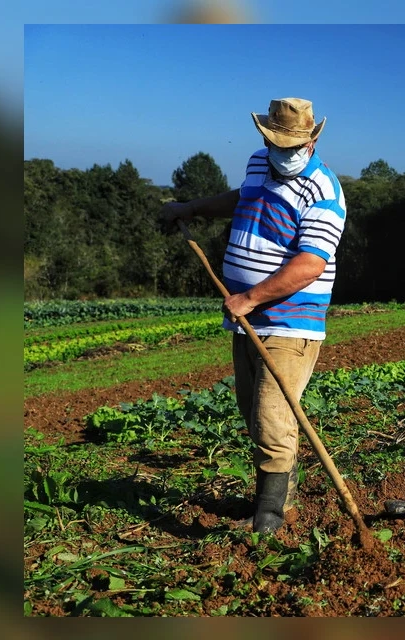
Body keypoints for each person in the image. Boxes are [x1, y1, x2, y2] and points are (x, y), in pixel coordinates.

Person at [158, 97, 346, 535]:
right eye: (276, 142)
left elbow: (311, 264)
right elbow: (241, 198)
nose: (283, 151)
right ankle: (283, 498)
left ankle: (269, 520)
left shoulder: (324, 190)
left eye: (292, 144)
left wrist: (252, 297)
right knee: (253, 411)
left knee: (271, 414)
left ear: (312, 140)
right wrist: (193, 208)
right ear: (265, 138)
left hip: (289, 319)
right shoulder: (260, 163)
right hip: (249, 318)